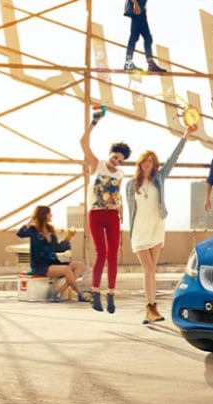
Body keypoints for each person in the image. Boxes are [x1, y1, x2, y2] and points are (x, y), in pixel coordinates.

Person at [127, 123, 197, 324]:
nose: (148, 163)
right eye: (145, 161)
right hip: (140, 231)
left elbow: (173, 158)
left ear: (154, 164)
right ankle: (151, 308)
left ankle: (151, 309)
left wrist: (185, 135)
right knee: (148, 269)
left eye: (151, 161)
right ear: (140, 163)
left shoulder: (159, 179)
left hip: (157, 227)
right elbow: (130, 209)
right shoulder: (131, 185)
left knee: (151, 270)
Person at [81, 120, 130, 314]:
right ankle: (95, 293)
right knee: (101, 252)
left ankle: (110, 294)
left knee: (113, 255)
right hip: (95, 214)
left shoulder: (120, 174)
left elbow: (117, 195)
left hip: (112, 215)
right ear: (110, 154)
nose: (115, 161)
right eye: (114, 157)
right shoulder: (97, 165)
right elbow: (83, 142)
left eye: (119, 160)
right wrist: (94, 122)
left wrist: (121, 212)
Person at [16, 205, 90, 303]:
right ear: (44, 215)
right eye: (49, 213)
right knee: (66, 269)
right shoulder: (33, 230)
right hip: (41, 265)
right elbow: (20, 233)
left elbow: (56, 248)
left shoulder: (50, 230)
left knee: (80, 265)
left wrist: (67, 240)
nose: (51, 215)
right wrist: (31, 220)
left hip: (53, 262)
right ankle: (80, 294)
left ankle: (59, 291)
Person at [123, 0, 166, 73]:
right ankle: (130, 63)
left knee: (140, 37)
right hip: (138, 11)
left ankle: (130, 62)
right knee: (141, 37)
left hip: (141, 11)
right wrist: (136, 4)